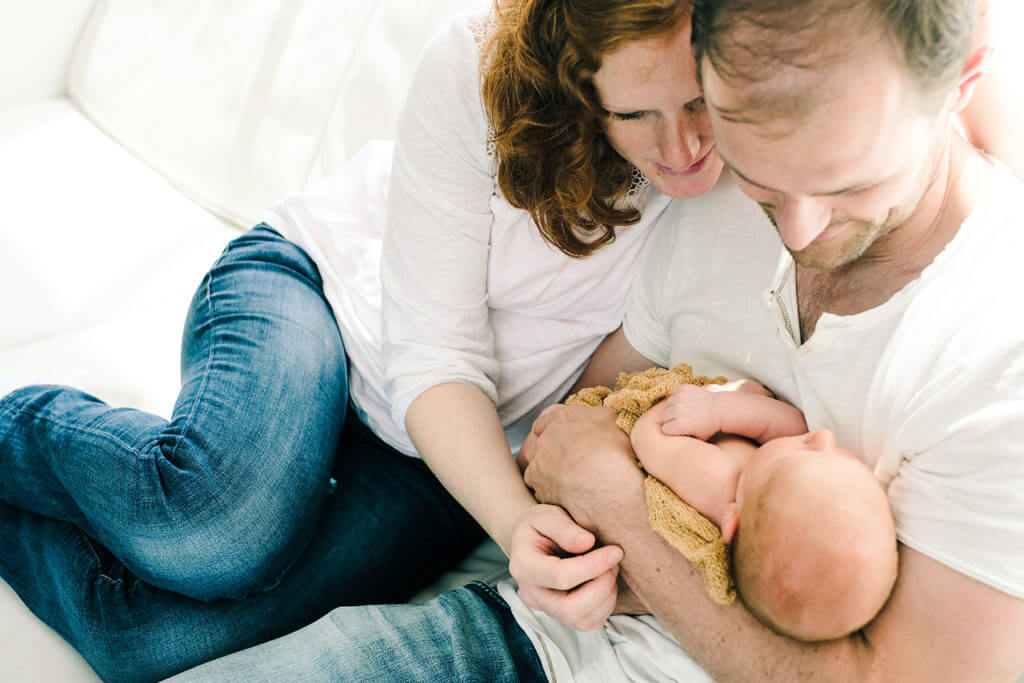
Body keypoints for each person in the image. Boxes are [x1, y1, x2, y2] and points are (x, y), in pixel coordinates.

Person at [174, 0, 1024, 680]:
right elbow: (565, 435)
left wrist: (624, 511)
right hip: (524, 633)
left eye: (851, 184)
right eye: (767, 182)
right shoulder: (708, 202)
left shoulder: (994, 348)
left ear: (966, 80)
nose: (796, 230)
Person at [0, 0, 725, 679]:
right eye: (633, 113)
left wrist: (533, 511)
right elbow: (434, 354)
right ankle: (14, 427)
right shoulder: (476, 65)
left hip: (449, 455)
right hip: (322, 297)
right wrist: (514, 526)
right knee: (214, 525)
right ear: (578, 81)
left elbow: (589, 397)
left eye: (699, 100)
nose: (683, 147)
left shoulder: (746, 181)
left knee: (145, 640)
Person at [632, 385, 898, 642]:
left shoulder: (718, 477)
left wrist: (715, 407)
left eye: (804, 451)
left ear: (733, 521)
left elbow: (648, 435)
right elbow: (795, 427)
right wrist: (735, 409)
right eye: (841, 455)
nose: (824, 436)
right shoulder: (767, 490)